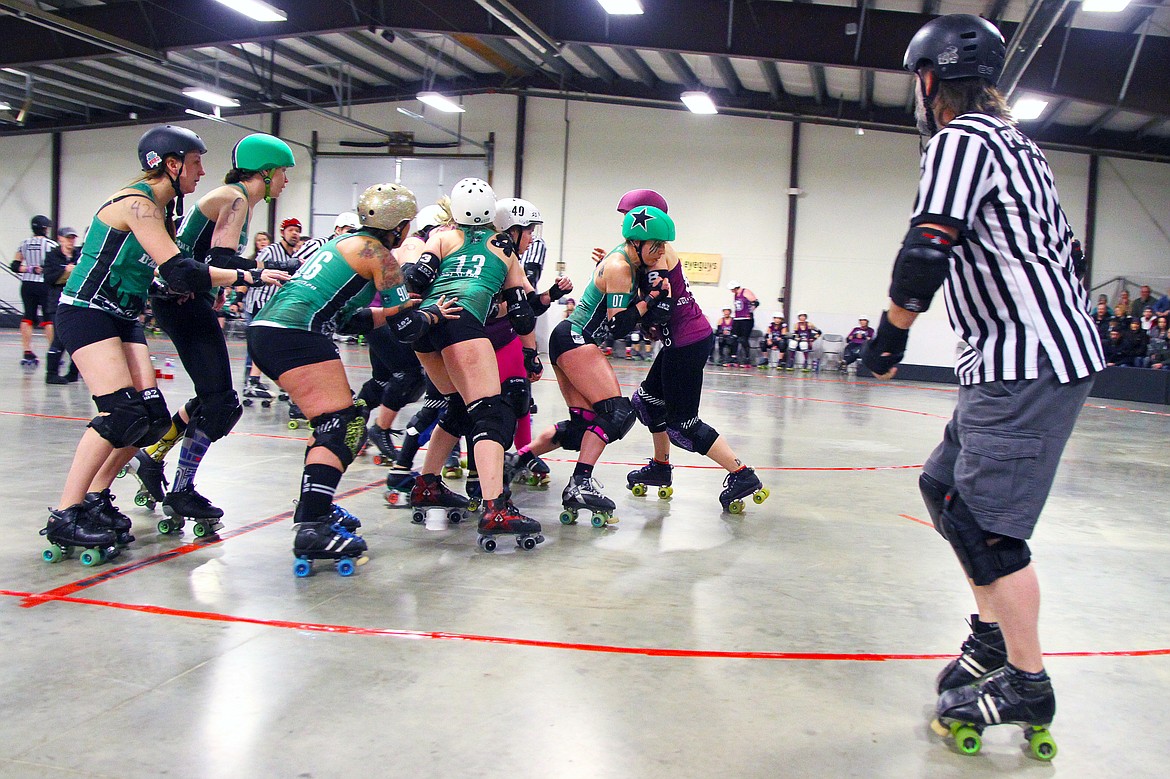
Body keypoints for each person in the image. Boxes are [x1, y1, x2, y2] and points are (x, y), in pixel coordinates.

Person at [863, 15, 1102, 756]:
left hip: (1022, 362)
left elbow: (928, 244)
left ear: (931, 79)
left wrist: (892, 333)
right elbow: (1070, 253)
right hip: (1016, 357)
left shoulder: (960, 140)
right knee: (946, 489)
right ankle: (992, 637)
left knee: (992, 531)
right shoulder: (1024, 147)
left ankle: (1027, 681)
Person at [44, 125, 254, 563]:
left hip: (121, 316)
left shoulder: (159, 210)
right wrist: (245, 275)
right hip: (86, 311)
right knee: (119, 410)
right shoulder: (137, 204)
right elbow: (180, 270)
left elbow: (167, 273)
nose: (202, 172)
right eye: (195, 162)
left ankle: (98, 497)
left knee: (152, 418)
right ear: (170, 164)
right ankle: (66, 512)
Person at [248, 182, 446, 571]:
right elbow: (406, 328)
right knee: (341, 426)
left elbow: (354, 317)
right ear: (401, 226)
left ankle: (314, 508)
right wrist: (432, 314)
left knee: (337, 423)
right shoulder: (380, 255)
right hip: (295, 335)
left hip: (271, 332)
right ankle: (312, 524)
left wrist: (409, 309)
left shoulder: (340, 244)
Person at [125, 133, 292, 528]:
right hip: (184, 304)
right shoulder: (236, 198)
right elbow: (221, 259)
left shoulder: (234, 196)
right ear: (265, 173)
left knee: (210, 396)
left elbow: (213, 260)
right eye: (283, 173)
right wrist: (259, 273)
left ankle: (153, 458)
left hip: (182, 301)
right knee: (222, 405)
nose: (285, 181)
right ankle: (182, 490)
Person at [575, 189, 769, 514]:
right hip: (681, 340)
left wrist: (622, 284)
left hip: (686, 342)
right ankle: (660, 467)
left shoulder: (658, 255)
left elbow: (659, 308)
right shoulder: (646, 252)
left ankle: (741, 474)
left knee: (683, 424)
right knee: (647, 403)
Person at [401, 177, 546, 549]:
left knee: (457, 407)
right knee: (491, 412)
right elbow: (522, 316)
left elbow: (416, 278)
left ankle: (427, 484)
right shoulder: (504, 247)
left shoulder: (444, 236)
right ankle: (496, 507)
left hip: (427, 322)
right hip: (462, 322)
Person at [512, 205, 672, 527]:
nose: (659, 253)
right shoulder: (619, 266)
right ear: (637, 243)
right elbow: (617, 328)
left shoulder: (628, 261)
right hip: (575, 337)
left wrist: (649, 299)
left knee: (584, 425)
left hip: (570, 339)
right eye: (655, 245)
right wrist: (651, 300)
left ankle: (516, 460)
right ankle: (579, 485)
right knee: (618, 413)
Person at [242, 218, 305, 395]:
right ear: (282, 233)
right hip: (259, 302)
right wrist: (239, 297)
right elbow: (252, 271)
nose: (295, 233)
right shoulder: (270, 251)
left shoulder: (294, 256)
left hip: (275, 306)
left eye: (297, 231)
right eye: (291, 230)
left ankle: (261, 382)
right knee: (266, 345)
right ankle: (254, 382)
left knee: (272, 345)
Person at [15, 214, 56, 367]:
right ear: (45, 228)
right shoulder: (51, 245)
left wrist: (30, 268)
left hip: (27, 284)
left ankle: (27, 352)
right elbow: (54, 266)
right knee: (48, 319)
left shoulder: (24, 243)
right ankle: (53, 351)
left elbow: (15, 266)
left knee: (28, 317)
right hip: (44, 285)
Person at [42, 226, 81, 384]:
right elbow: (49, 278)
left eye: (73, 238)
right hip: (57, 302)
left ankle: (74, 372)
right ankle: (51, 373)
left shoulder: (79, 255)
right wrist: (66, 271)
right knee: (59, 338)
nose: (71, 241)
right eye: (67, 238)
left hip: (77, 302)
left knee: (78, 338)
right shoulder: (52, 256)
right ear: (60, 239)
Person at [727, 281, 758, 366]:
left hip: (746, 319)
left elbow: (756, 302)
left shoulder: (745, 291)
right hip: (737, 319)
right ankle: (733, 358)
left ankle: (747, 359)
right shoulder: (735, 294)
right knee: (733, 338)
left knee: (743, 339)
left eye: (732, 289)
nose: (731, 291)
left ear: (736, 287)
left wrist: (749, 312)